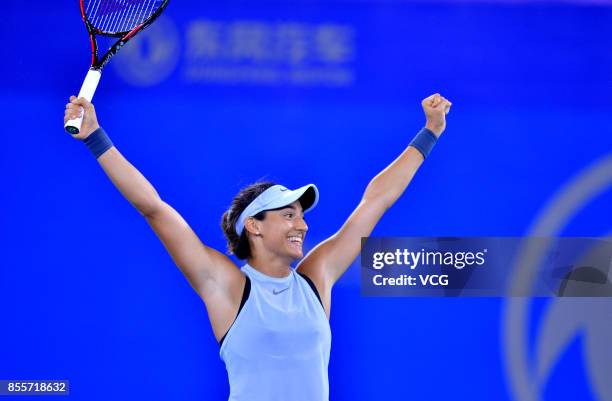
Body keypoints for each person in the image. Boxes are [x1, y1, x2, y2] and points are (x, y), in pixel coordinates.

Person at [63, 93, 452, 401]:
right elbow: (154, 208)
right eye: (287, 215)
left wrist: (429, 133)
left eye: (301, 215)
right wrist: (96, 137)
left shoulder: (317, 278)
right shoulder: (226, 285)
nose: (301, 224)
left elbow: (375, 201)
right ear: (254, 227)